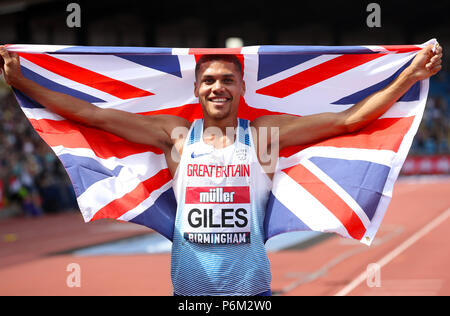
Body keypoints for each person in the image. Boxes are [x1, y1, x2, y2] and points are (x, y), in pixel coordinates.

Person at [0, 44, 443, 296]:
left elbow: (348, 121)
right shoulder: (175, 136)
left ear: (241, 88)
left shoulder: (265, 134)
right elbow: (91, 115)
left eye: (227, 80)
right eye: (209, 80)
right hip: (189, 296)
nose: (218, 87)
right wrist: (24, 84)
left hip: (253, 296)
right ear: (196, 89)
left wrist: (406, 77)